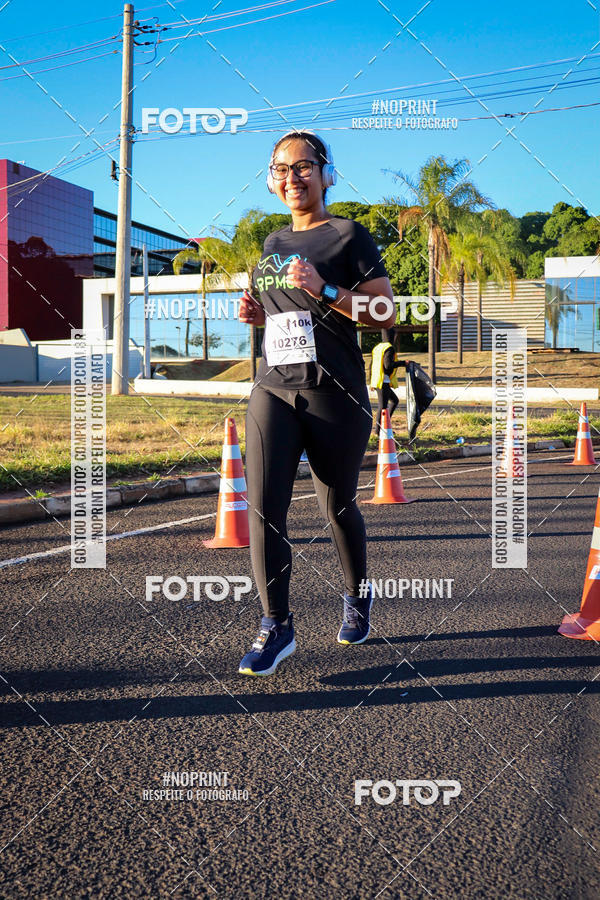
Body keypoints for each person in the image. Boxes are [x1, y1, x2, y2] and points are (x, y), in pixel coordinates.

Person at [236, 129, 395, 676]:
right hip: (274, 388)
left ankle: (357, 597)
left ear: (327, 175)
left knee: (338, 506)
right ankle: (276, 625)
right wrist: (258, 315)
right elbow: (285, 316)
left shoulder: (349, 236)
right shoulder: (271, 243)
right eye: (281, 169)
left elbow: (385, 313)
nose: (292, 178)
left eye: (303, 167)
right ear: (271, 180)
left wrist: (325, 288)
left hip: (336, 392)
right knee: (263, 508)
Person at [370, 327, 406, 436]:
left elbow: (372, 365)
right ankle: (378, 431)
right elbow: (388, 365)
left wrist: (371, 381)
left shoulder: (378, 347)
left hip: (377, 380)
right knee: (383, 407)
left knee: (394, 401)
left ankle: (385, 426)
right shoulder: (389, 348)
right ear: (392, 336)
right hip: (383, 381)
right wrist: (403, 363)